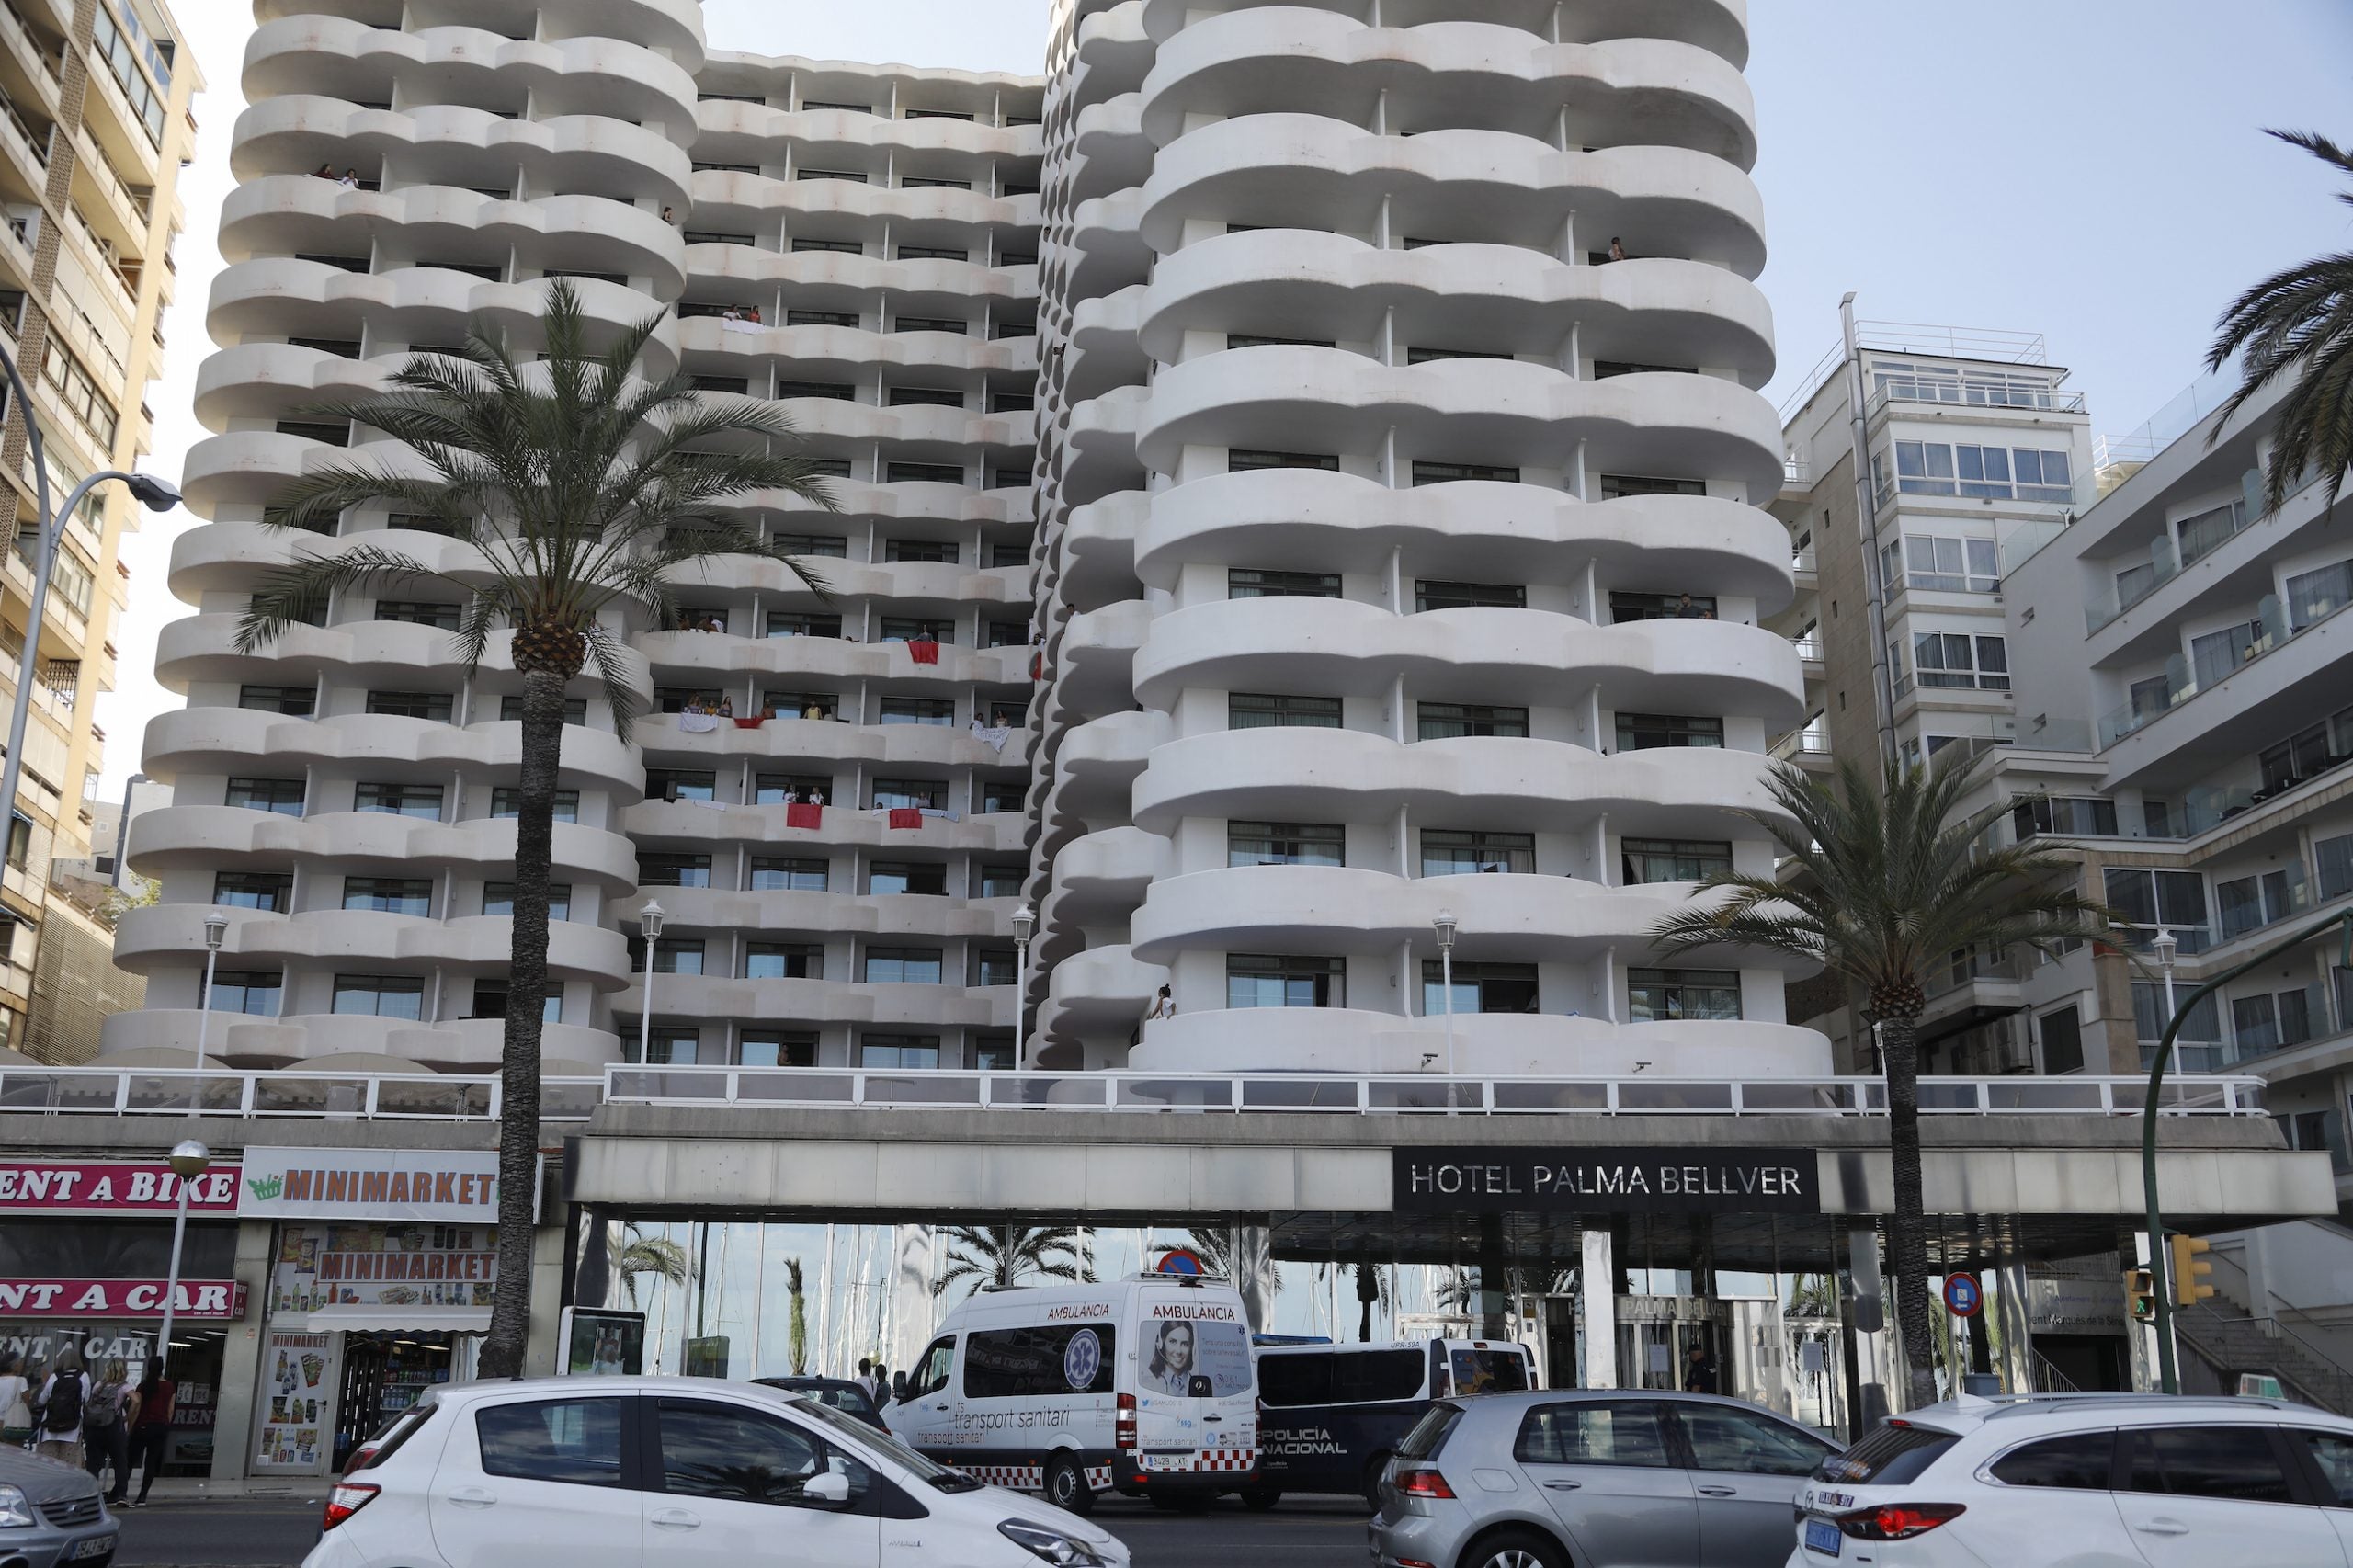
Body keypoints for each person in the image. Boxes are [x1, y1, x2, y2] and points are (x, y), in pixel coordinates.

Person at [83, 1358, 133, 1503]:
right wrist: (127, 1418)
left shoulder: (99, 1385)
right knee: (120, 1461)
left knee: (94, 1462)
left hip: (95, 1426)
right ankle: (121, 1495)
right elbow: (136, 1400)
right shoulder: (125, 1387)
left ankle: (90, 1493)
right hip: (113, 1425)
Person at [126, 1368, 175, 1507]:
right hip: (160, 1427)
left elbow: (136, 1406)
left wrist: (130, 1426)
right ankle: (142, 1496)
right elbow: (171, 1409)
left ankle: (121, 1492)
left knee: (130, 1460)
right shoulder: (170, 1386)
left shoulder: (143, 1385)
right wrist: (166, 1424)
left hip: (142, 1426)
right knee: (151, 1462)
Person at [33, 1347, 88, 1467]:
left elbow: (42, 1400)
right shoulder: (83, 1376)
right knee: (70, 1466)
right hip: (73, 1429)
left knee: (49, 1466)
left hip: (50, 1427)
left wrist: (44, 1384)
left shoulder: (54, 1377)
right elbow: (87, 1400)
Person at [1143, 1321, 1195, 1396]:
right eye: (1173, 1342)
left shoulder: (1196, 1384)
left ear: (1192, 1348)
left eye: (1185, 1344)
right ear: (1161, 1345)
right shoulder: (1149, 1381)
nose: (1178, 1351)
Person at [0, 1354, 29, 1449]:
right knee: (14, 1454)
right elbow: (27, 1402)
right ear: (15, 1365)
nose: (21, 1365)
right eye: (20, 1362)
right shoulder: (21, 1381)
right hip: (13, 1424)